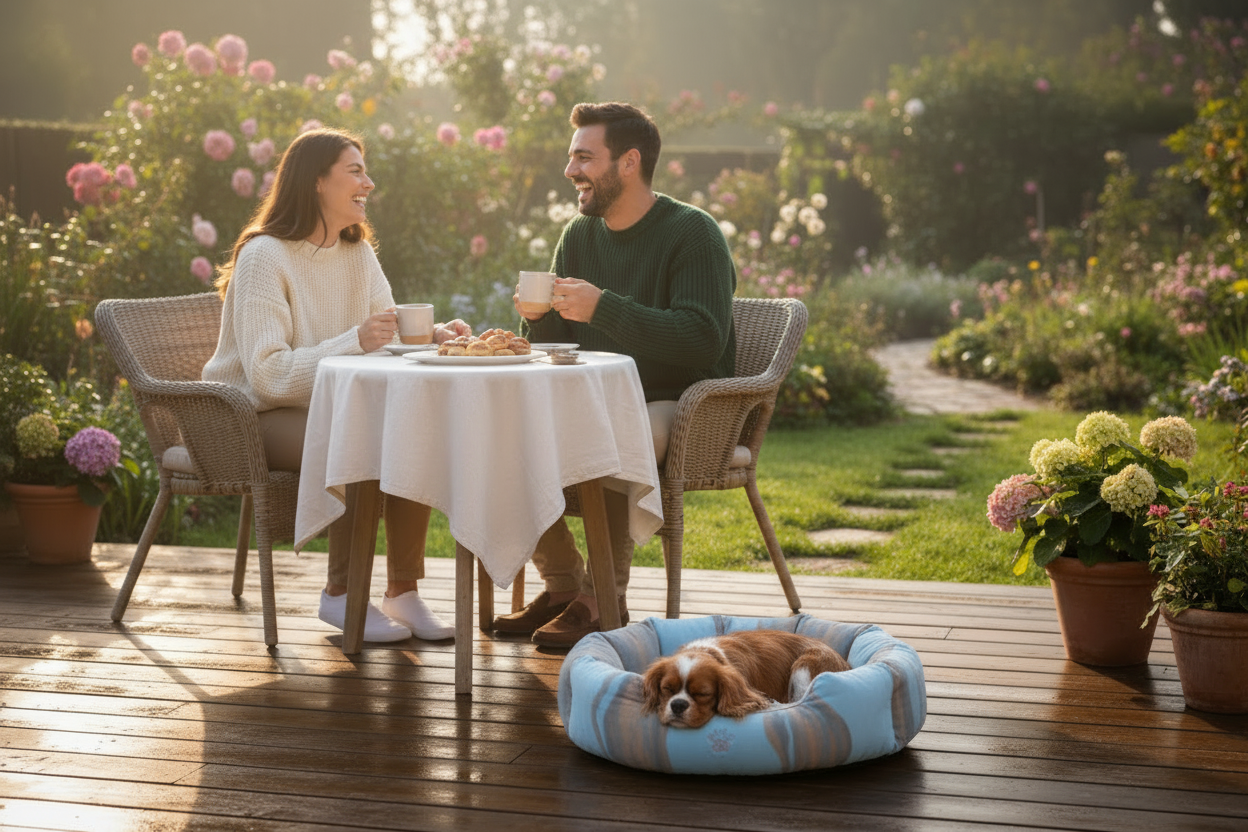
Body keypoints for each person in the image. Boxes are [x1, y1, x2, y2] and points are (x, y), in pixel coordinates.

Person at [202, 127, 471, 643]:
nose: (368, 183)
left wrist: (433, 336)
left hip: (324, 408)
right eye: (356, 171)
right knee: (363, 439)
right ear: (317, 182)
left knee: (408, 431)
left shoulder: (356, 254)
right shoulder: (265, 256)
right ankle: (341, 595)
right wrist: (354, 340)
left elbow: (382, 335)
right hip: (249, 417)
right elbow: (268, 373)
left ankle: (402, 592)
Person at [494, 101, 737, 647]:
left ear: (629, 163)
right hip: (595, 398)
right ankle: (561, 587)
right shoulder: (579, 237)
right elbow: (555, 347)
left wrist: (605, 308)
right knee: (498, 435)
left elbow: (703, 340)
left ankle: (602, 598)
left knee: (607, 431)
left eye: (584, 157)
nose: (570, 170)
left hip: (680, 402)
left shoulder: (692, 234)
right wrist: (536, 321)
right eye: (571, 156)